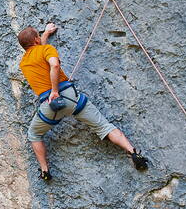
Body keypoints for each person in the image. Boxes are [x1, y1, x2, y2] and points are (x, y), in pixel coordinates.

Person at [17, 22, 149, 181]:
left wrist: (44, 34)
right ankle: (133, 152)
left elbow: (38, 52)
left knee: (34, 134)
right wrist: (55, 90)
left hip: (51, 107)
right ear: (37, 40)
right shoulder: (46, 49)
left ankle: (45, 170)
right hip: (69, 97)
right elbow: (54, 64)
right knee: (104, 126)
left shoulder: (24, 63)